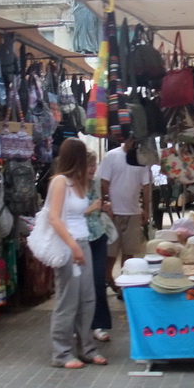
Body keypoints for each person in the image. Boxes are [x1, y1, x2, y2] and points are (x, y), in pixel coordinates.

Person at [46, 137, 107, 369]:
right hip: (69, 246)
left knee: (87, 299)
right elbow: (54, 217)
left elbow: (78, 215)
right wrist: (72, 246)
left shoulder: (78, 183)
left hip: (83, 243)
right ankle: (61, 353)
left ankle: (87, 348)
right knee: (68, 300)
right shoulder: (60, 181)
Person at [98, 136, 152, 294]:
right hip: (113, 212)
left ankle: (125, 284)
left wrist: (146, 209)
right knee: (110, 252)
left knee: (129, 251)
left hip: (133, 211)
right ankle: (108, 278)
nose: (132, 141)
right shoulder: (111, 156)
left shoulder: (141, 159)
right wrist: (107, 204)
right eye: (129, 138)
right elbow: (104, 183)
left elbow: (146, 186)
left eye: (134, 139)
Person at [84, 151, 112, 342]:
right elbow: (68, 214)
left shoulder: (95, 182)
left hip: (98, 234)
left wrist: (103, 207)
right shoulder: (70, 185)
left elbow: (96, 205)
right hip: (80, 238)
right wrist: (91, 208)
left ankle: (99, 324)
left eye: (94, 164)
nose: (93, 169)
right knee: (81, 285)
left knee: (98, 280)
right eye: (89, 165)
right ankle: (81, 324)